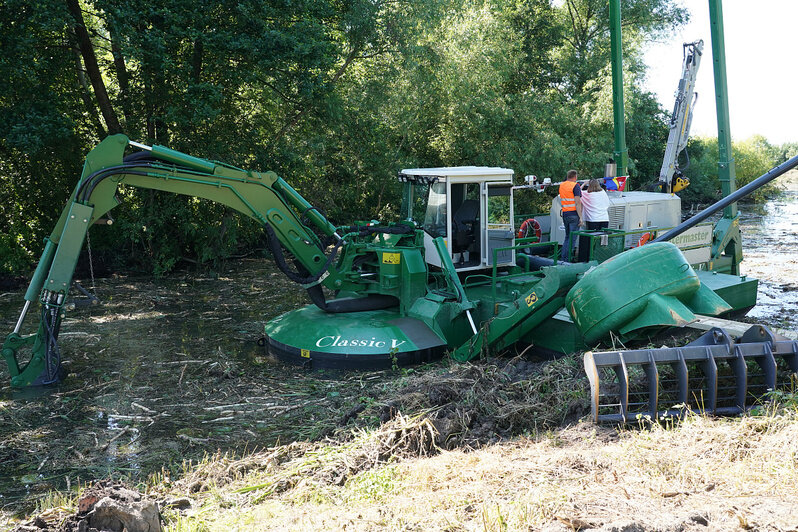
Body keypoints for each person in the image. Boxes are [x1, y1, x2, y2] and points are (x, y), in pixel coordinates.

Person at [578, 179, 611, 261]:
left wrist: (584, 183)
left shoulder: (587, 194)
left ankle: (591, 258)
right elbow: (608, 204)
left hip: (593, 219)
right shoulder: (603, 193)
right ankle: (602, 257)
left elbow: (577, 193)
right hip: (604, 218)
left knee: (592, 240)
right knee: (603, 240)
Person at [558, 169, 583, 261]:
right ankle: (567, 261)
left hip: (565, 214)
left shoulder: (562, 185)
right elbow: (577, 203)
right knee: (572, 239)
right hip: (574, 215)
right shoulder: (575, 186)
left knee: (567, 237)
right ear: (575, 177)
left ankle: (563, 258)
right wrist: (581, 217)